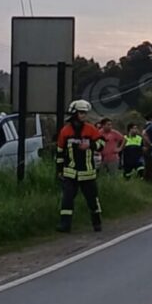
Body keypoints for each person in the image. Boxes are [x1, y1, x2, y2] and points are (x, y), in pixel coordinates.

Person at [56, 100, 105, 233]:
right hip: (70, 172)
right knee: (67, 199)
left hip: (87, 172)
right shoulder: (65, 131)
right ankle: (65, 225)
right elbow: (60, 151)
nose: (84, 115)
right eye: (81, 112)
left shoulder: (91, 129)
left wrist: (91, 145)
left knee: (92, 200)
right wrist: (59, 170)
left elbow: (102, 143)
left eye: (85, 113)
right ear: (74, 113)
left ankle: (97, 223)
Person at [142, 112, 152, 183]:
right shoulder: (151, 126)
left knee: (147, 164)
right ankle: (151, 179)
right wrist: (150, 144)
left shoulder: (145, 125)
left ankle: (146, 179)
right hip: (149, 147)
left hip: (145, 147)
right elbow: (144, 135)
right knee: (151, 164)